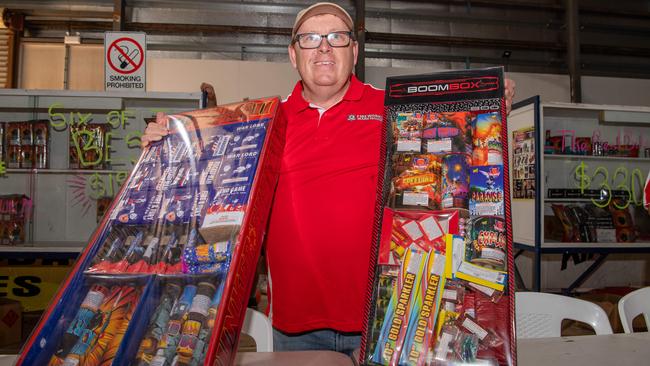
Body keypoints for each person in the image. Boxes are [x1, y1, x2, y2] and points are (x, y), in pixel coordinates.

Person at [141, 2, 516, 356]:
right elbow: (206, 184)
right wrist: (163, 146)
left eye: (336, 37)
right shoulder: (261, 122)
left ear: (354, 51)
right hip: (295, 324)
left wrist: (490, 102)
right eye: (310, 39)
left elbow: (458, 146)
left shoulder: (393, 110)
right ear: (293, 55)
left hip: (385, 316)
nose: (324, 48)